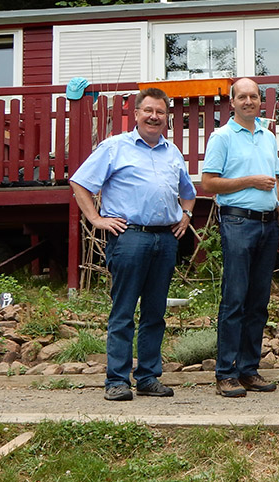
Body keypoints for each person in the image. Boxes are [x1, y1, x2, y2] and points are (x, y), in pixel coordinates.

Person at [70, 87, 196, 402]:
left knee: (155, 312)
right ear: (137, 113)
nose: (154, 116)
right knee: (124, 311)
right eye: (149, 110)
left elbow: (188, 190)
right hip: (129, 237)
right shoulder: (115, 147)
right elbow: (80, 181)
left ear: (167, 118)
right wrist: (96, 218)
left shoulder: (172, 152)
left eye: (161, 112)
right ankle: (117, 381)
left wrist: (187, 214)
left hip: (165, 239)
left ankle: (148, 378)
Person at [201, 77, 279, 398]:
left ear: (259, 101)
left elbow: (274, 181)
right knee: (235, 299)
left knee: (259, 302)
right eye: (242, 97)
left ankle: (249, 370)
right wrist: (249, 181)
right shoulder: (221, 137)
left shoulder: (267, 136)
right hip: (237, 223)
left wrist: (278, 222)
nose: (248, 101)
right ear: (232, 102)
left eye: (254, 96)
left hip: (267, 224)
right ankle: (226, 372)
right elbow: (209, 183)